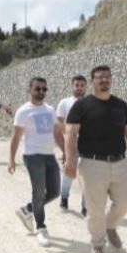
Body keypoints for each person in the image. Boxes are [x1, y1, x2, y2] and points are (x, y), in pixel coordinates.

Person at [64, 65, 127, 253]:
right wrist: (70, 160)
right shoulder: (81, 105)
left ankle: (110, 226)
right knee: (95, 208)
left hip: (120, 162)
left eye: (107, 77)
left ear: (111, 80)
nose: (104, 80)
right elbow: (71, 133)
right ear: (92, 81)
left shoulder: (120, 105)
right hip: (91, 164)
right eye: (99, 77)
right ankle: (97, 245)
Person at [8, 77, 65, 247]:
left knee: (54, 192)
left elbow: (57, 133)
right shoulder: (23, 111)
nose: (41, 92)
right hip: (33, 156)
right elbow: (15, 137)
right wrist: (11, 159)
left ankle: (27, 209)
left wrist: (65, 152)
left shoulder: (50, 109)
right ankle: (41, 228)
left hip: (49, 155)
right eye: (37, 88)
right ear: (30, 90)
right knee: (39, 192)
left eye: (44, 89)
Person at [56, 75, 88, 215]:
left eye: (82, 85)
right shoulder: (65, 103)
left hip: (88, 144)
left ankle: (86, 206)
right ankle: (64, 198)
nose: (79, 88)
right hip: (71, 144)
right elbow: (58, 121)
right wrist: (68, 134)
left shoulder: (91, 102)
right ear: (72, 86)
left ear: (86, 87)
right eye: (77, 85)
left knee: (88, 176)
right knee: (69, 173)